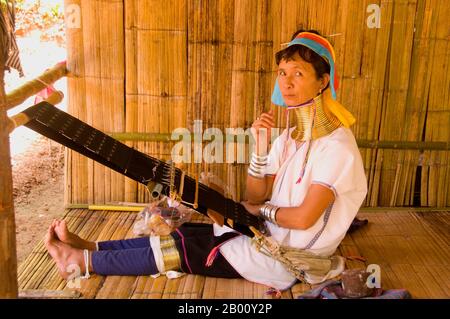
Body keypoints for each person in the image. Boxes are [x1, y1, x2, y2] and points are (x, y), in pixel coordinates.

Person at [45, 29, 367, 291]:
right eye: (282, 72)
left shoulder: (336, 147)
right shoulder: (288, 138)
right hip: (268, 232)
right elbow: (255, 195)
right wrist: (259, 147)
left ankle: (82, 263)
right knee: (187, 235)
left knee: (189, 251)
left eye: (298, 73)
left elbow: (302, 219)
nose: (287, 82)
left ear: (323, 81)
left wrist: (258, 211)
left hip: (290, 257)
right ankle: (92, 248)